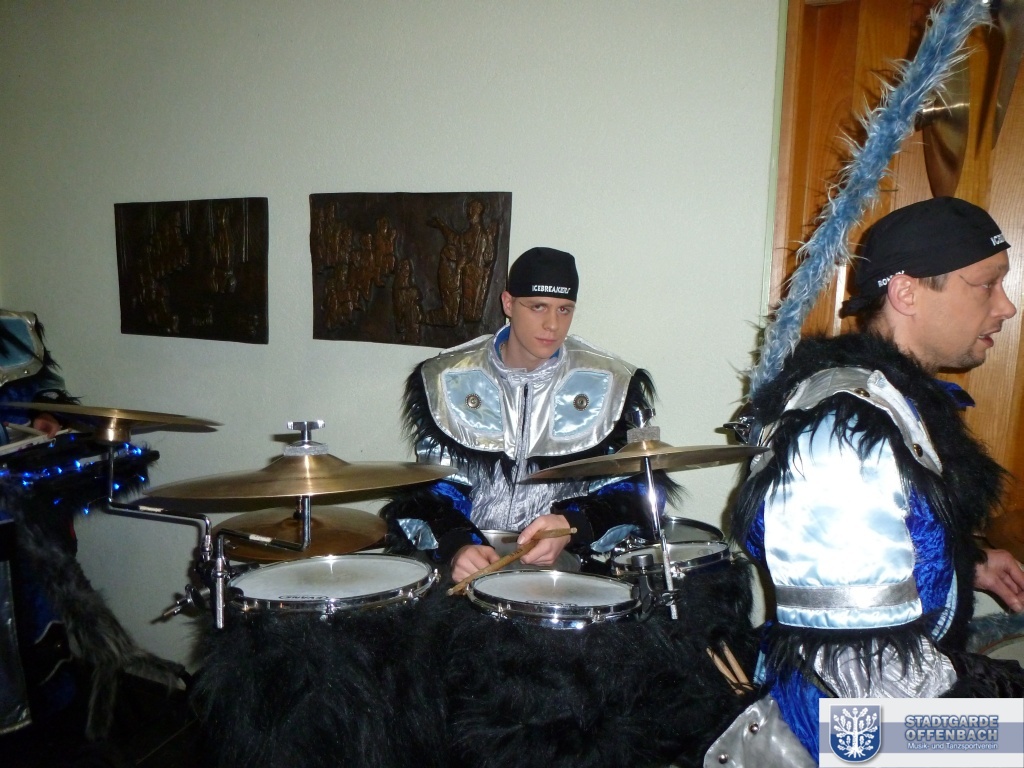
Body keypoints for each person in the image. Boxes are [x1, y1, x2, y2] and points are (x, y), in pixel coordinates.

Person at [731, 197, 1024, 762]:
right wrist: (1002, 724)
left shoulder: (891, 403)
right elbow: (861, 690)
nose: (1006, 306)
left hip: (888, 692)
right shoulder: (845, 438)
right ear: (907, 292)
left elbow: (891, 536)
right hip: (843, 730)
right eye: (986, 285)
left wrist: (964, 563)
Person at [382, 246, 668, 581]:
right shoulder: (447, 379)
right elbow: (432, 490)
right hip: (471, 565)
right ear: (508, 304)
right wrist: (457, 544)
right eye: (537, 307)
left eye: (564, 309)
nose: (552, 325)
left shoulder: (616, 384)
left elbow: (645, 491)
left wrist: (572, 525)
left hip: (567, 571)